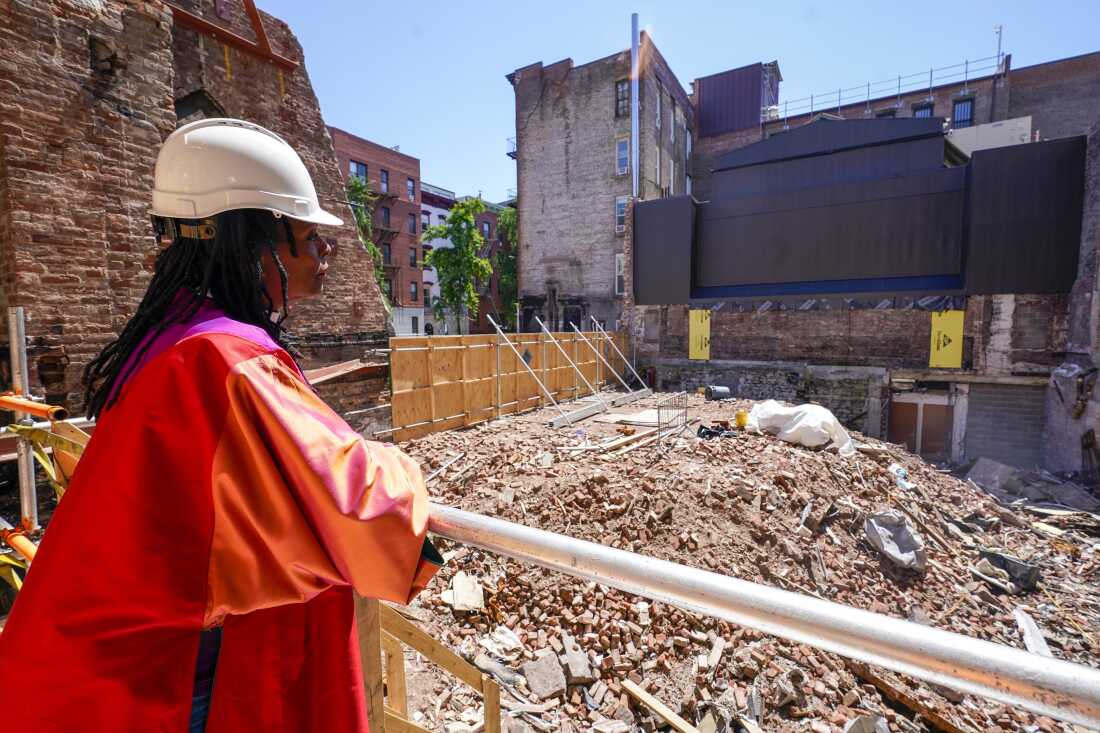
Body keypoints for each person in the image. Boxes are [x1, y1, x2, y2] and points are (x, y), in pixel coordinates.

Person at [0, 118, 441, 732]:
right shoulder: (227, 361)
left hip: (84, 671)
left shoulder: (167, 337)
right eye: (309, 235)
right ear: (251, 236)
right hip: (156, 682)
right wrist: (402, 464)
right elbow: (362, 510)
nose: (327, 251)